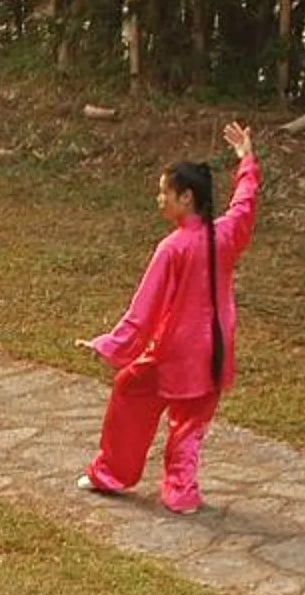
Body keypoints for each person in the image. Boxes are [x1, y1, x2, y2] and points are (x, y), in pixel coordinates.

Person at [80, 120, 262, 513]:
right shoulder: (225, 234)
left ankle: (112, 472)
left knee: (129, 391)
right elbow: (245, 204)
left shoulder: (173, 248)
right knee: (190, 426)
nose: (159, 199)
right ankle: (181, 492)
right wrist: (246, 160)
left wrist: (109, 345)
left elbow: (141, 313)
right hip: (215, 352)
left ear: (186, 198)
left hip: (174, 353)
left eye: (165, 193)